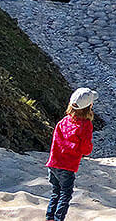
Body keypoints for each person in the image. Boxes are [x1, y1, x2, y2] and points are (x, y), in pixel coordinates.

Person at [45, 88, 97, 221]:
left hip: (53, 163)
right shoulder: (85, 125)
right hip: (67, 166)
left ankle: (49, 217)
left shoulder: (63, 121)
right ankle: (58, 219)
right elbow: (85, 148)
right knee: (65, 194)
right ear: (89, 107)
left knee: (56, 192)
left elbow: (55, 142)